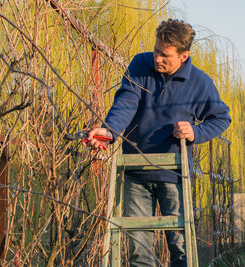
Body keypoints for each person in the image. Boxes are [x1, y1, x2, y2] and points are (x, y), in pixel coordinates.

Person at [86, 19, 231, 267]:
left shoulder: (200, 83)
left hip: (175, 176)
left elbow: (221, 118)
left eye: (165, 55)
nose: (157, 58)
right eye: (155, 50)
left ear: (184, 56)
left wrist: (196, 132)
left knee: (180, 249)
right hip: (135, 173)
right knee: (139, 251)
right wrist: (108, 132)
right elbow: (125, 104)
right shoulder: (140, 65)